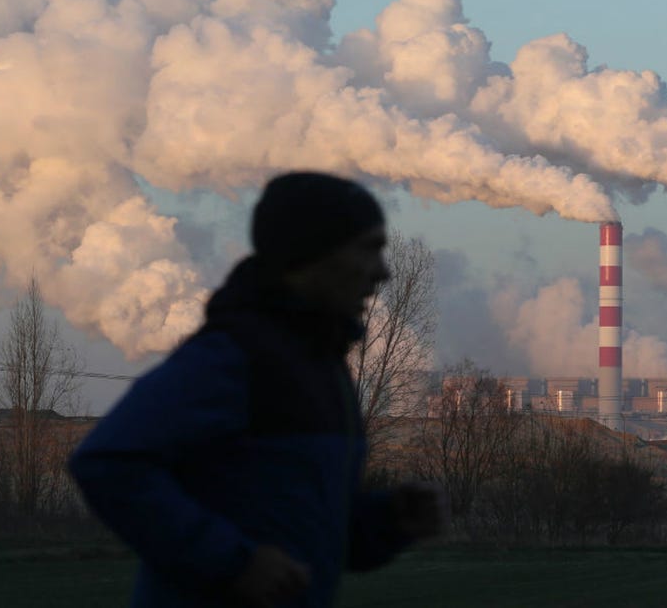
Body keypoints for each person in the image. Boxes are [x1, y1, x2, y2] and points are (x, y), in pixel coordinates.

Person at [69, 172, 445, 607]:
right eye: (368, 248)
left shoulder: (324, 366)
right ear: (314, 253)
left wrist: (389, 521)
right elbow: (107, 462)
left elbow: (300, 523)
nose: (383, 272)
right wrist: (232, 562)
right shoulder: (234, 355)